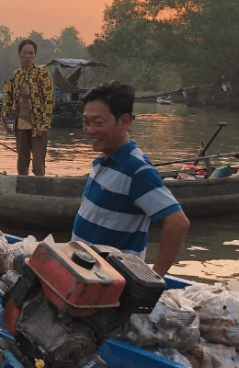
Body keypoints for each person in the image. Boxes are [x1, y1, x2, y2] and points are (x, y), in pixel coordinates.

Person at [72, 81, 190, 277]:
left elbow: (178, 222)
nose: (90, 130)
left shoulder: (137, 169)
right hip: (86, 275)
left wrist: (154, 278)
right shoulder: (104, 160)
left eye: (98, 123)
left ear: (124, 121)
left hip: (110, 282)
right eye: (86, 122)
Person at [0, 39, 55, 176]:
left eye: (31, 53)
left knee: (38, 165)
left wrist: (45, 124)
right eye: (25, 53)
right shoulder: (16, 75)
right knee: (22, 164)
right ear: (19, 54)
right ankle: (22, 188)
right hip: (21, 125)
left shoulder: (42, 74)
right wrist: (5, 119)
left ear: (35, 56)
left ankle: (39, 190)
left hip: (38, 126)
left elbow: (49, 100)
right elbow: (9, 98)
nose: (28, 56)